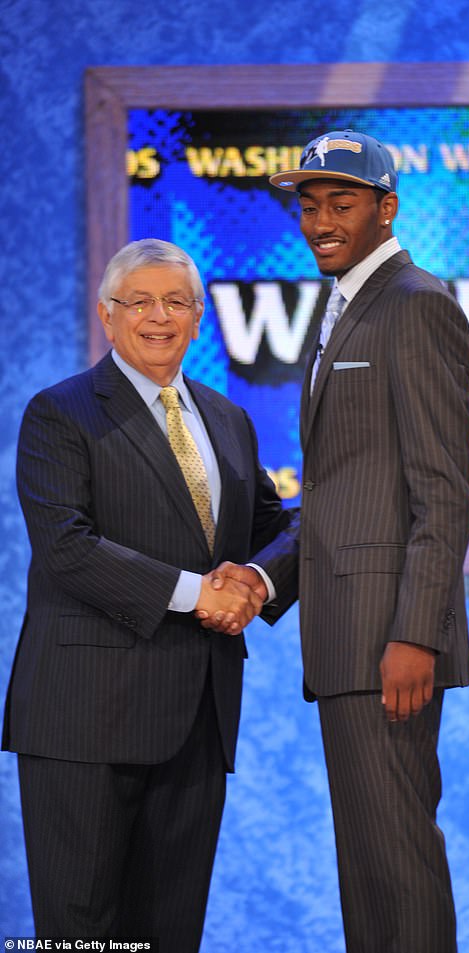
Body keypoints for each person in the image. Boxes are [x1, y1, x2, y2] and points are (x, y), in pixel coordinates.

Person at [204, 130, 469, 953]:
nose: (321, 220)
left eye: (343, 203)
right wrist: (262, 577)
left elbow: (444, 488)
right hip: (345, 639)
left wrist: (415, 633)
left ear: (386, 208)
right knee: (367, 869)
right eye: (311, 205)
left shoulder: (415, 303)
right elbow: (340, 494)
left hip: (388, 644)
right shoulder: (344, 305)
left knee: (397, 865)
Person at [2, 238, 291, 950]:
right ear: (108, 315)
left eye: (177, 301)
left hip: (197, 719)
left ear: (198, 318)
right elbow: (67, 548)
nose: (158, 316)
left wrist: (256, 578)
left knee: (171, 935)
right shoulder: (60, 414)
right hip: (84, 720)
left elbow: (274, 527)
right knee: (83, 936)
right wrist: (202, 594)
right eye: (140, 300)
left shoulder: (229, 419)